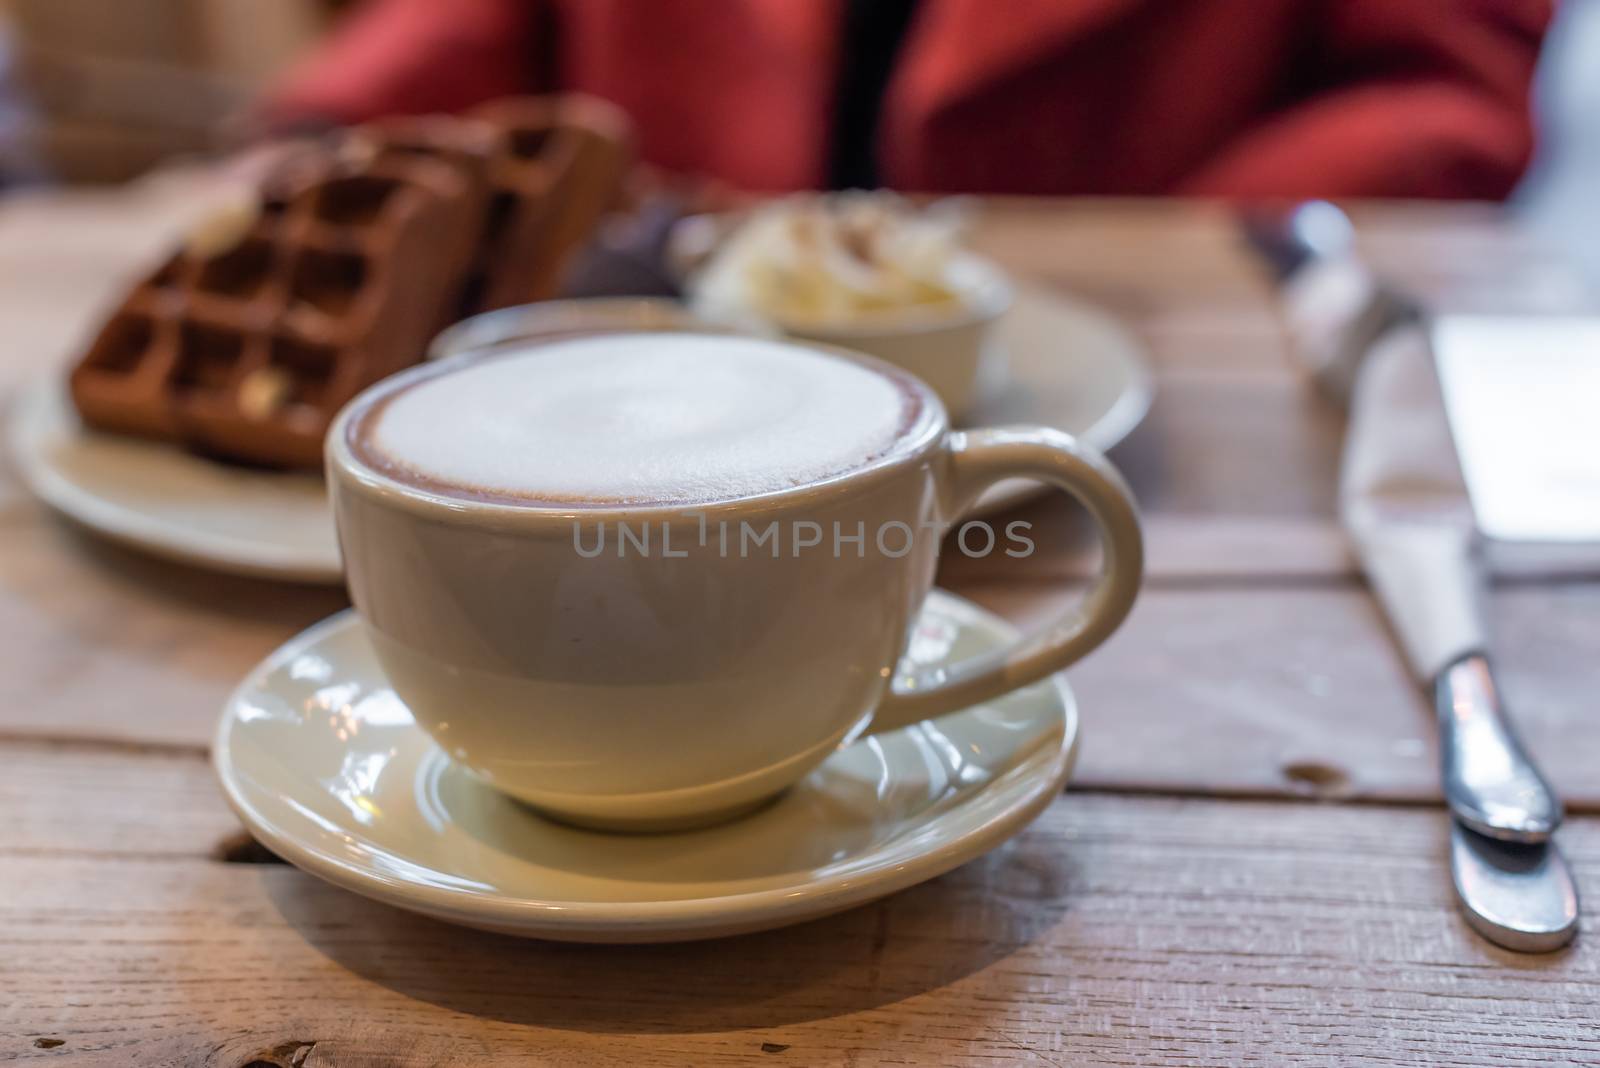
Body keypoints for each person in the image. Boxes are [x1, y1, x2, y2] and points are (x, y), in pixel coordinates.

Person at [262, 0, 1552, 199]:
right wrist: (323, 124)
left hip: (1140, 425)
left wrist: (1157, 262)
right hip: (655, 354)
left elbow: (1443, 92)